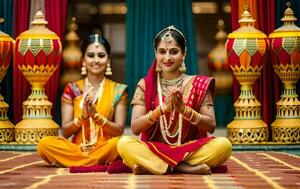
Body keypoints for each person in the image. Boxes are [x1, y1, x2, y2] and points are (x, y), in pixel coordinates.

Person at [117, 26, 232, 175]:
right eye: (162, 51)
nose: (167, 58)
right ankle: (182, 167)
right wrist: (162, 109)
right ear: (155, 54)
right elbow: (135, 127)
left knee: (224, 145)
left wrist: (184, 110)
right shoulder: (145, 84)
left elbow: (211, 126)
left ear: (184, 54)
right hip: (156, 148)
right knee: (124, 144)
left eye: (174, 51)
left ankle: (156, 166)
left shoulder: (199, 84)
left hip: (189, 149)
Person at [37, 34, 128, 167]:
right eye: (91, 55)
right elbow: (66, 131)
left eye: (101, 56)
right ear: (83, 60)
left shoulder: (118, 90)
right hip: (78, 148)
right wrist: (83, 117)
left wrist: (96, 116)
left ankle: (79, 162)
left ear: (108, 60)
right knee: (44, 144)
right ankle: (92, 162)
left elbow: (119, 130)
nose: (96, 60)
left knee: (120, 143)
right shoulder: (72, 89)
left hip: (105, 149)